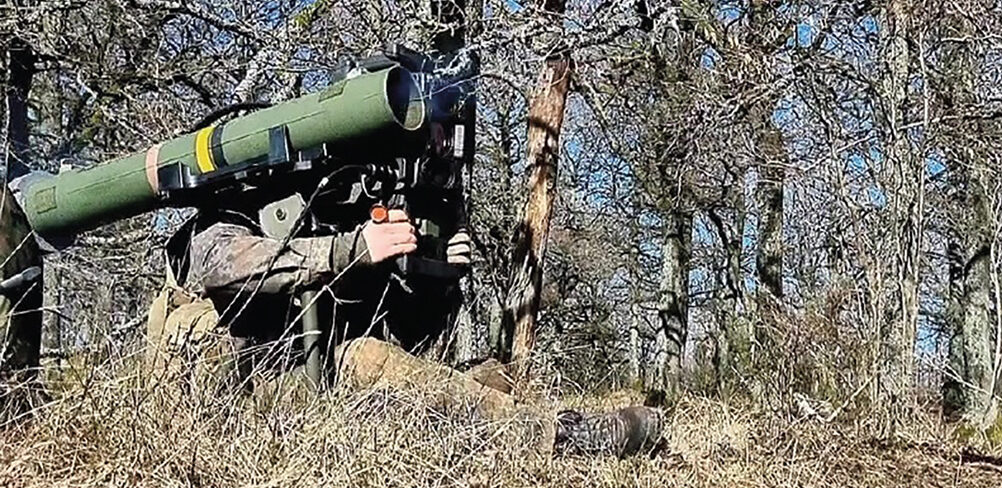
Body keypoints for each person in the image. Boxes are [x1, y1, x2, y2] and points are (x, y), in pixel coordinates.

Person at [136, 192, 665, 459]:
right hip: (232, 396)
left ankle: (506, 419)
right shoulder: (217, 222)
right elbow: (231, 267)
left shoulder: (313, 210)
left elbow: (405, 329)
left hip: (295, 378)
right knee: (367, 360)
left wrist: (438, 272)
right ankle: (566, 437)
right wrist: (348, 249)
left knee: (486, 375)